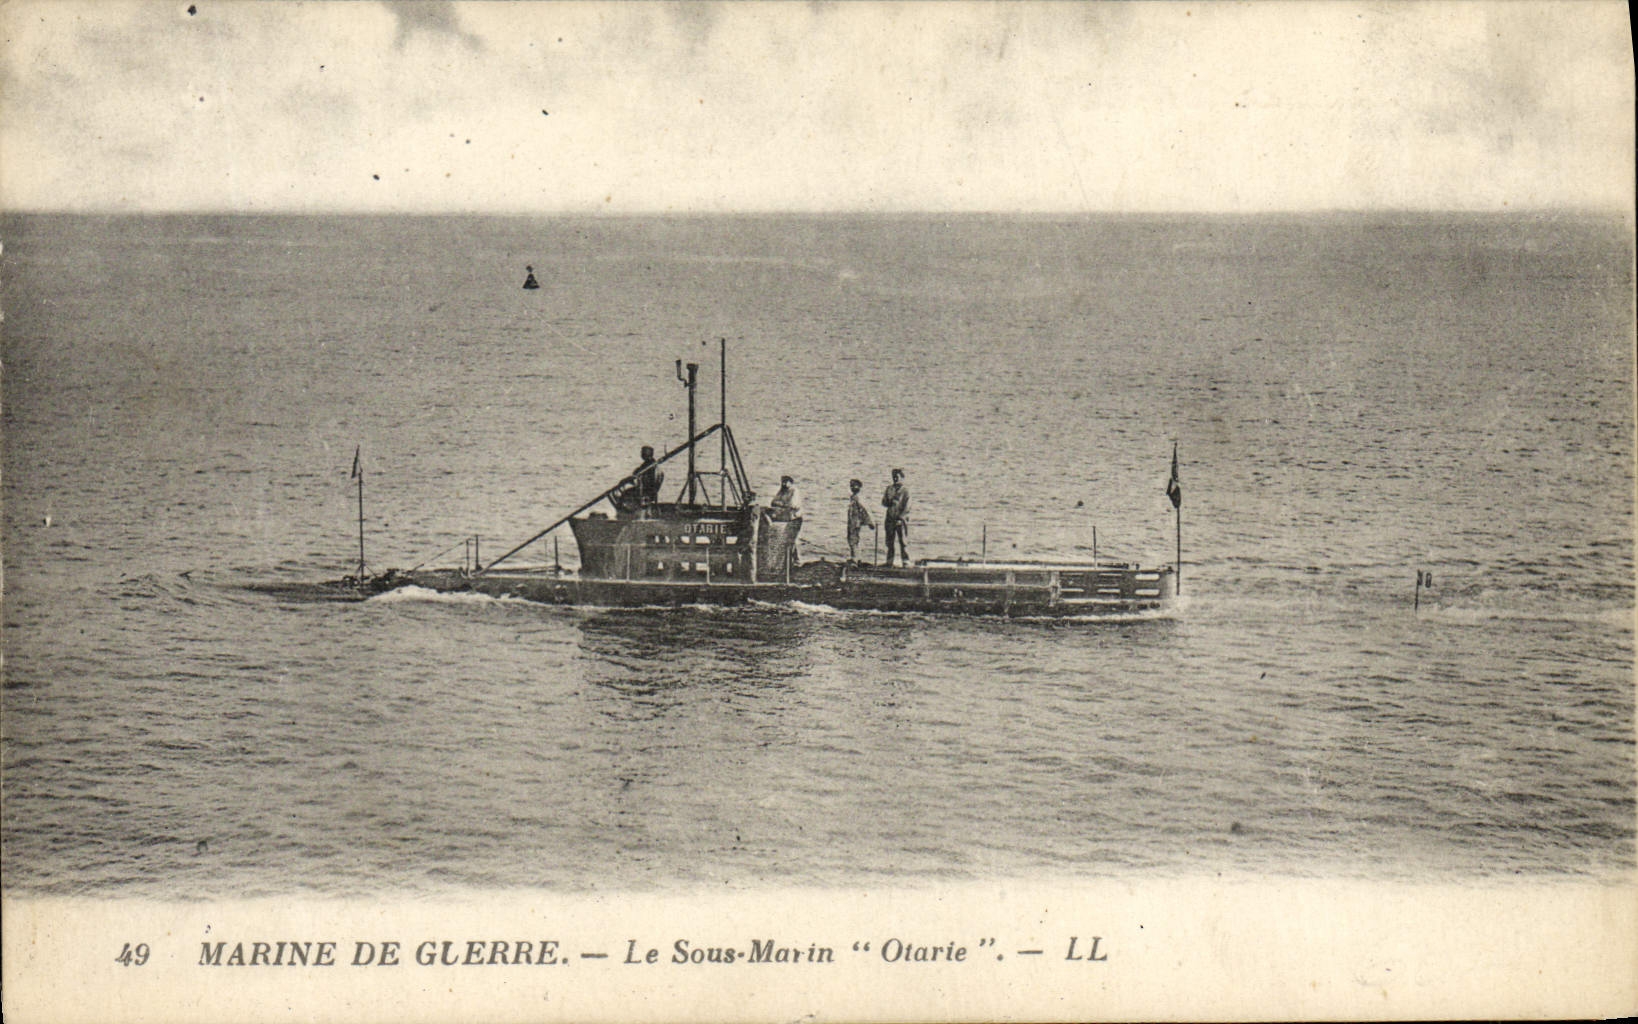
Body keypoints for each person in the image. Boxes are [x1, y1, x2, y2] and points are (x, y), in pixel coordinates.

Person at [882, 468, 909, 567]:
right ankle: (889, 562)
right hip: (890, 518)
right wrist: (889, 501)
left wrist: (901, 518)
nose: (895, 479)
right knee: (889, 541)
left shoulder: (905, 491)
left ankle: (905, 561)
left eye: (897, 477)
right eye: (893, 477)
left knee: (903, 541)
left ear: (902, 478)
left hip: (901, 520)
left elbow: (907, 507)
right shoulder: (889, 488)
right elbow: (884, 502)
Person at [846, 478, 875, 564]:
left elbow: (865, 510)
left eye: (854, 486)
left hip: (856, 522)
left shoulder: (858, 498)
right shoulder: (853, 497)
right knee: (852, 539)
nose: (852, 488)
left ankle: (855, 558)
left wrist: (870, 522)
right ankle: (856, 557)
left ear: (859, 487)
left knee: (853, 540)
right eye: (851, 486)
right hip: (852, 521)